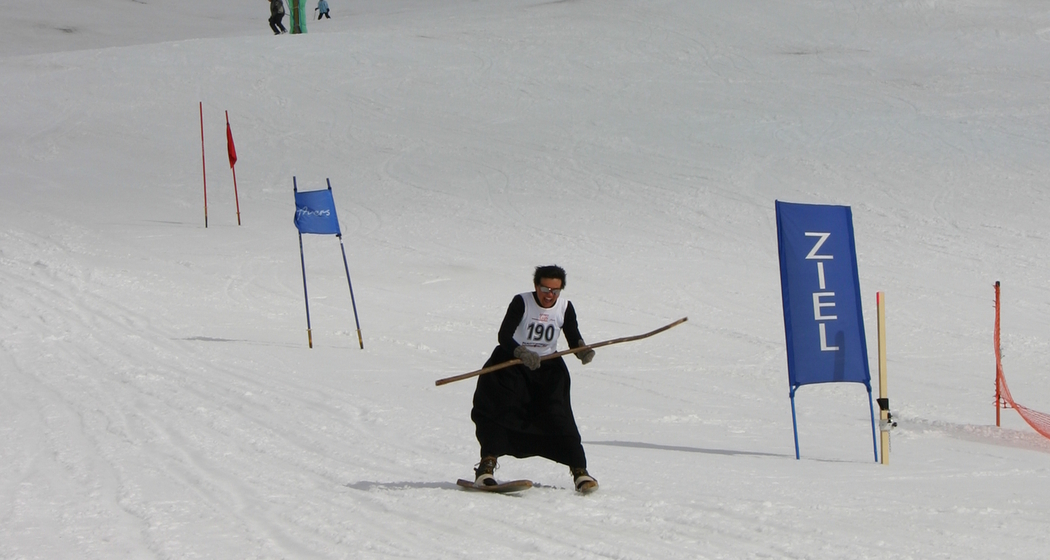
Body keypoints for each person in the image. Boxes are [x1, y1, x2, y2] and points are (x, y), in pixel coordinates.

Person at [470, 265, 599, 492]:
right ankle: (486, 469)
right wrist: (521, 352)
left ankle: (580, 472)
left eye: (555, 290)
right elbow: (504, 336)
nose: (549, 294)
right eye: (545, 288)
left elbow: (572, 335)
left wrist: (581, 350)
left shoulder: (565, 307)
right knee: (499, 411)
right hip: (511, 367)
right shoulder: (522, 302)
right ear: (536, 286)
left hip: (547, 371)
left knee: (559, 416)